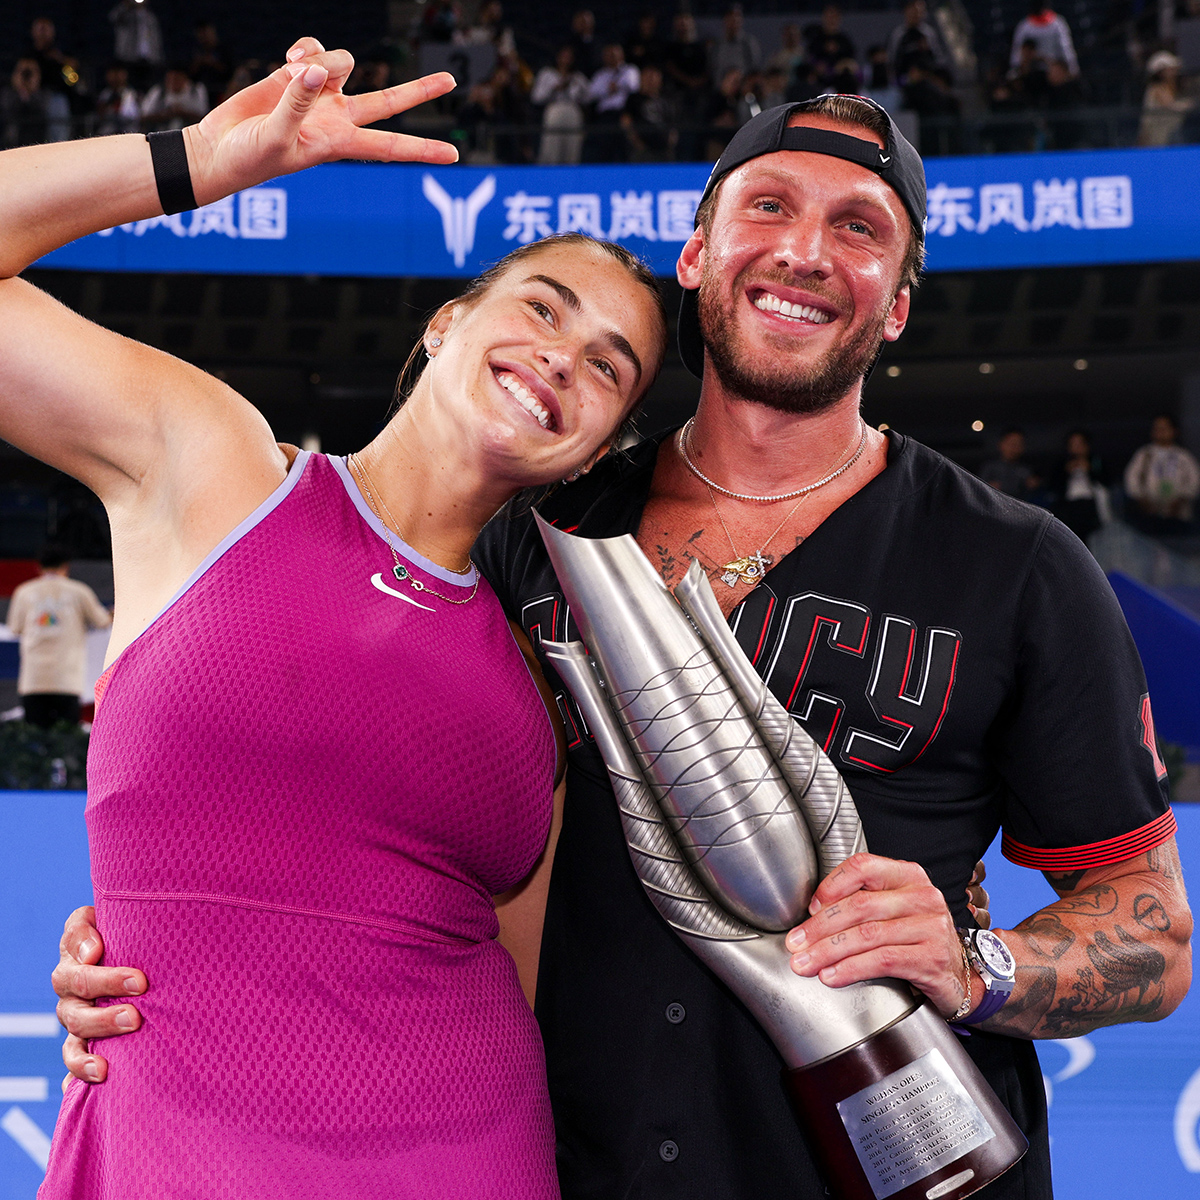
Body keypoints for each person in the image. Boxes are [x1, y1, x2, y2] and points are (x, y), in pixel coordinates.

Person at [55, 95, 1193, 1200]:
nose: (804, 251)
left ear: (895, 306)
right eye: (768, 206)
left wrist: (978, 964)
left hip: (890, 1164)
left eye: (858, 229)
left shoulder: (1017, 566)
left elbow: (1154, 932)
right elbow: (361, 798)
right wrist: (172, 949)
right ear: (698, 255)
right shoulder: (536, 536)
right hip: (570, 1161)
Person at [11, 38, 666, 1198]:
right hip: (172, 1161)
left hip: (470, 1161)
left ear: (593, 451)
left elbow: (527, 990)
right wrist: (199, 160)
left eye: (609, 368)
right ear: (446, 322)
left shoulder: (540, 683)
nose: (563, 358)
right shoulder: (215, 469)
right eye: (543, 308)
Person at [7, 544, 110, 729]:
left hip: (33, 680)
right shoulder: (79, 591)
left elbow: (14, 628)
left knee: (35, 737)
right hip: (67, 680)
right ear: (66, 566)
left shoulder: (24, 592)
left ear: (38, 567)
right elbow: (102, 621)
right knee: (66, 738)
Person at [1124, 413, 1200, 535]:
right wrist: (1141, 499)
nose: (1160, 432)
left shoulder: (1183, 456)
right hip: (1148, 514)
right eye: (1157, 428)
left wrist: (1181, 500)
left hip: (1177, 513)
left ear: (1174, 431)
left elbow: (1194, 480)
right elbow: (1131, 478)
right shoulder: (1144, 454)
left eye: (1164, 428)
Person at [1050, 428, 1109, 541]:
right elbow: (1053, 486)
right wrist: (1066, 472)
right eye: (1073, 444)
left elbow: (1106, 481)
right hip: (1068, 506)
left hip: (1090, 504)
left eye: (1080, 444)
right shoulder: (1062, 463)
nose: (1077, 448)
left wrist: (1090, 470)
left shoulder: (1095, 461)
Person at [1009, 1, 1078, 79]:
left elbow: (1066, 49)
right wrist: (1014, 69)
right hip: (1032, 70)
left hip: (1053, 70)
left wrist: (1072, 68)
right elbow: (1017, 51)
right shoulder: (1025, 27)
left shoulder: (1058, 24)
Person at [980, 426, 1038, 499]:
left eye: (1019, 444)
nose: (1015, 448)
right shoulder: (990, 467)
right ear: (1001, 444)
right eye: (1011, 443)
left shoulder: (1026, 469)